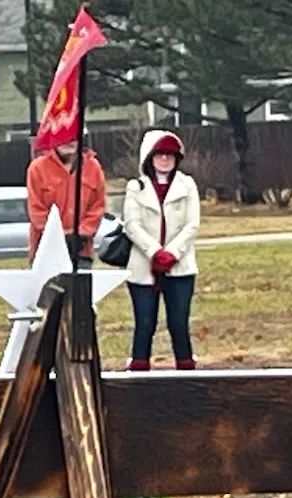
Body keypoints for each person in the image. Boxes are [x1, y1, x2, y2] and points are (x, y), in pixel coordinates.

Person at [120, 129, 201, 370]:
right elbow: (132, 225)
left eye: (170, 155)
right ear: (149, 158)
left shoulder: (187, 185)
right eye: (159, 155)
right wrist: (154, 252)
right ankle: (139, 368)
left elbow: (192, 224)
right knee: (145, 323)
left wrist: (172, 253)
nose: (165, 160)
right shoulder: (136, 188)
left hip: (180, 267)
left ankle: (186, 369)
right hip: (143, 267)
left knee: (178, 322)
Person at [26, 135, 106, 259]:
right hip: (45, 252)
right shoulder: (37, 168)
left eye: (73, 136)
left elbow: (98, 206)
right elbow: (36, 211)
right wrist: (58, 236)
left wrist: (81, 234)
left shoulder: (94, 167)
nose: (68, 140)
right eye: (62, 135)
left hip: (81, 251)